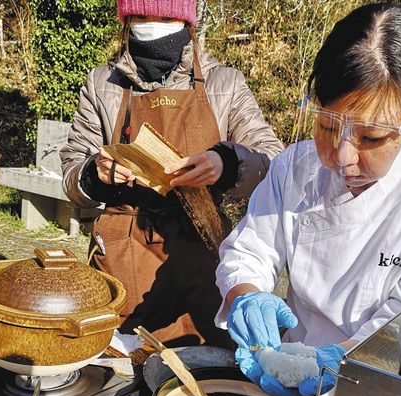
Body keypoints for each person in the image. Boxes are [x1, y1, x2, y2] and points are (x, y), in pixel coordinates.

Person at [215, 2, 401, 396]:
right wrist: (246, 295)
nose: (342, 157)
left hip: (397, 394)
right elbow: (250, 249)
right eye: (326, 125)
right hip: (300, 380)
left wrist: (338, 362)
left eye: (372, 138)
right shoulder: (295, 167)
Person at [60, 0, 283, 350]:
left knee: (204, 370)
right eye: (141, 16)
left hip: (203, 252)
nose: (152, 27)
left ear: (186, 23)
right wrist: (94, 173)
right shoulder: (103, 83)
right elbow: (73, 172)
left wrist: (225, 164)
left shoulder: (224, 83)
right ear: (126, 19)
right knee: (124, 369)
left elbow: (274, 162)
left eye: (165, 17)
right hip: (124, 253)